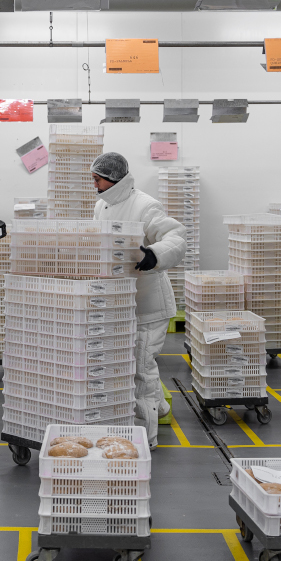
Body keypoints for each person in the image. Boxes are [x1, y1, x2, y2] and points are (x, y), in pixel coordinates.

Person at [91, 152, 187, 449]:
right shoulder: (101, 205)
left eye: (97, 178)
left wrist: (152, 255)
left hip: (148, 304)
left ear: (114, 178)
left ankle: (146, 440)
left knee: (141, 369)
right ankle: (160, 408)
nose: (93, 183)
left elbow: (176, 236)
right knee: (134, 363)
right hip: (120, 302)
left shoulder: (145, 205)